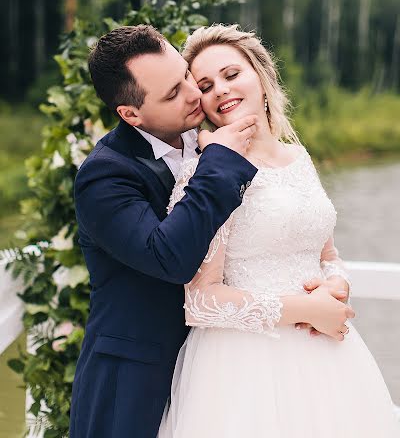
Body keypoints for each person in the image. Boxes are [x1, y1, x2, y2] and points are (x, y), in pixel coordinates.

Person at [158, 24, 399, 438]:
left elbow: (326, 254)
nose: (220, 89)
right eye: (206, 84)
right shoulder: (206, 172)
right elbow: (199, 300)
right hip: (243, 368)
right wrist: (306, 309)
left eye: (231, 75)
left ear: (262, 77)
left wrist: (335, 286)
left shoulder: (299, 156)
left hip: (329, 356)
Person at [69, 24, 260, 438]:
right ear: (130, 114)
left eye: (186, 76)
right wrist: (219, 161)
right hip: (136, 385)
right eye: (172, 94)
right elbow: (169, 257)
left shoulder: (209, 128)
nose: (194, 94)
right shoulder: (103, 177)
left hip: (228, 370)